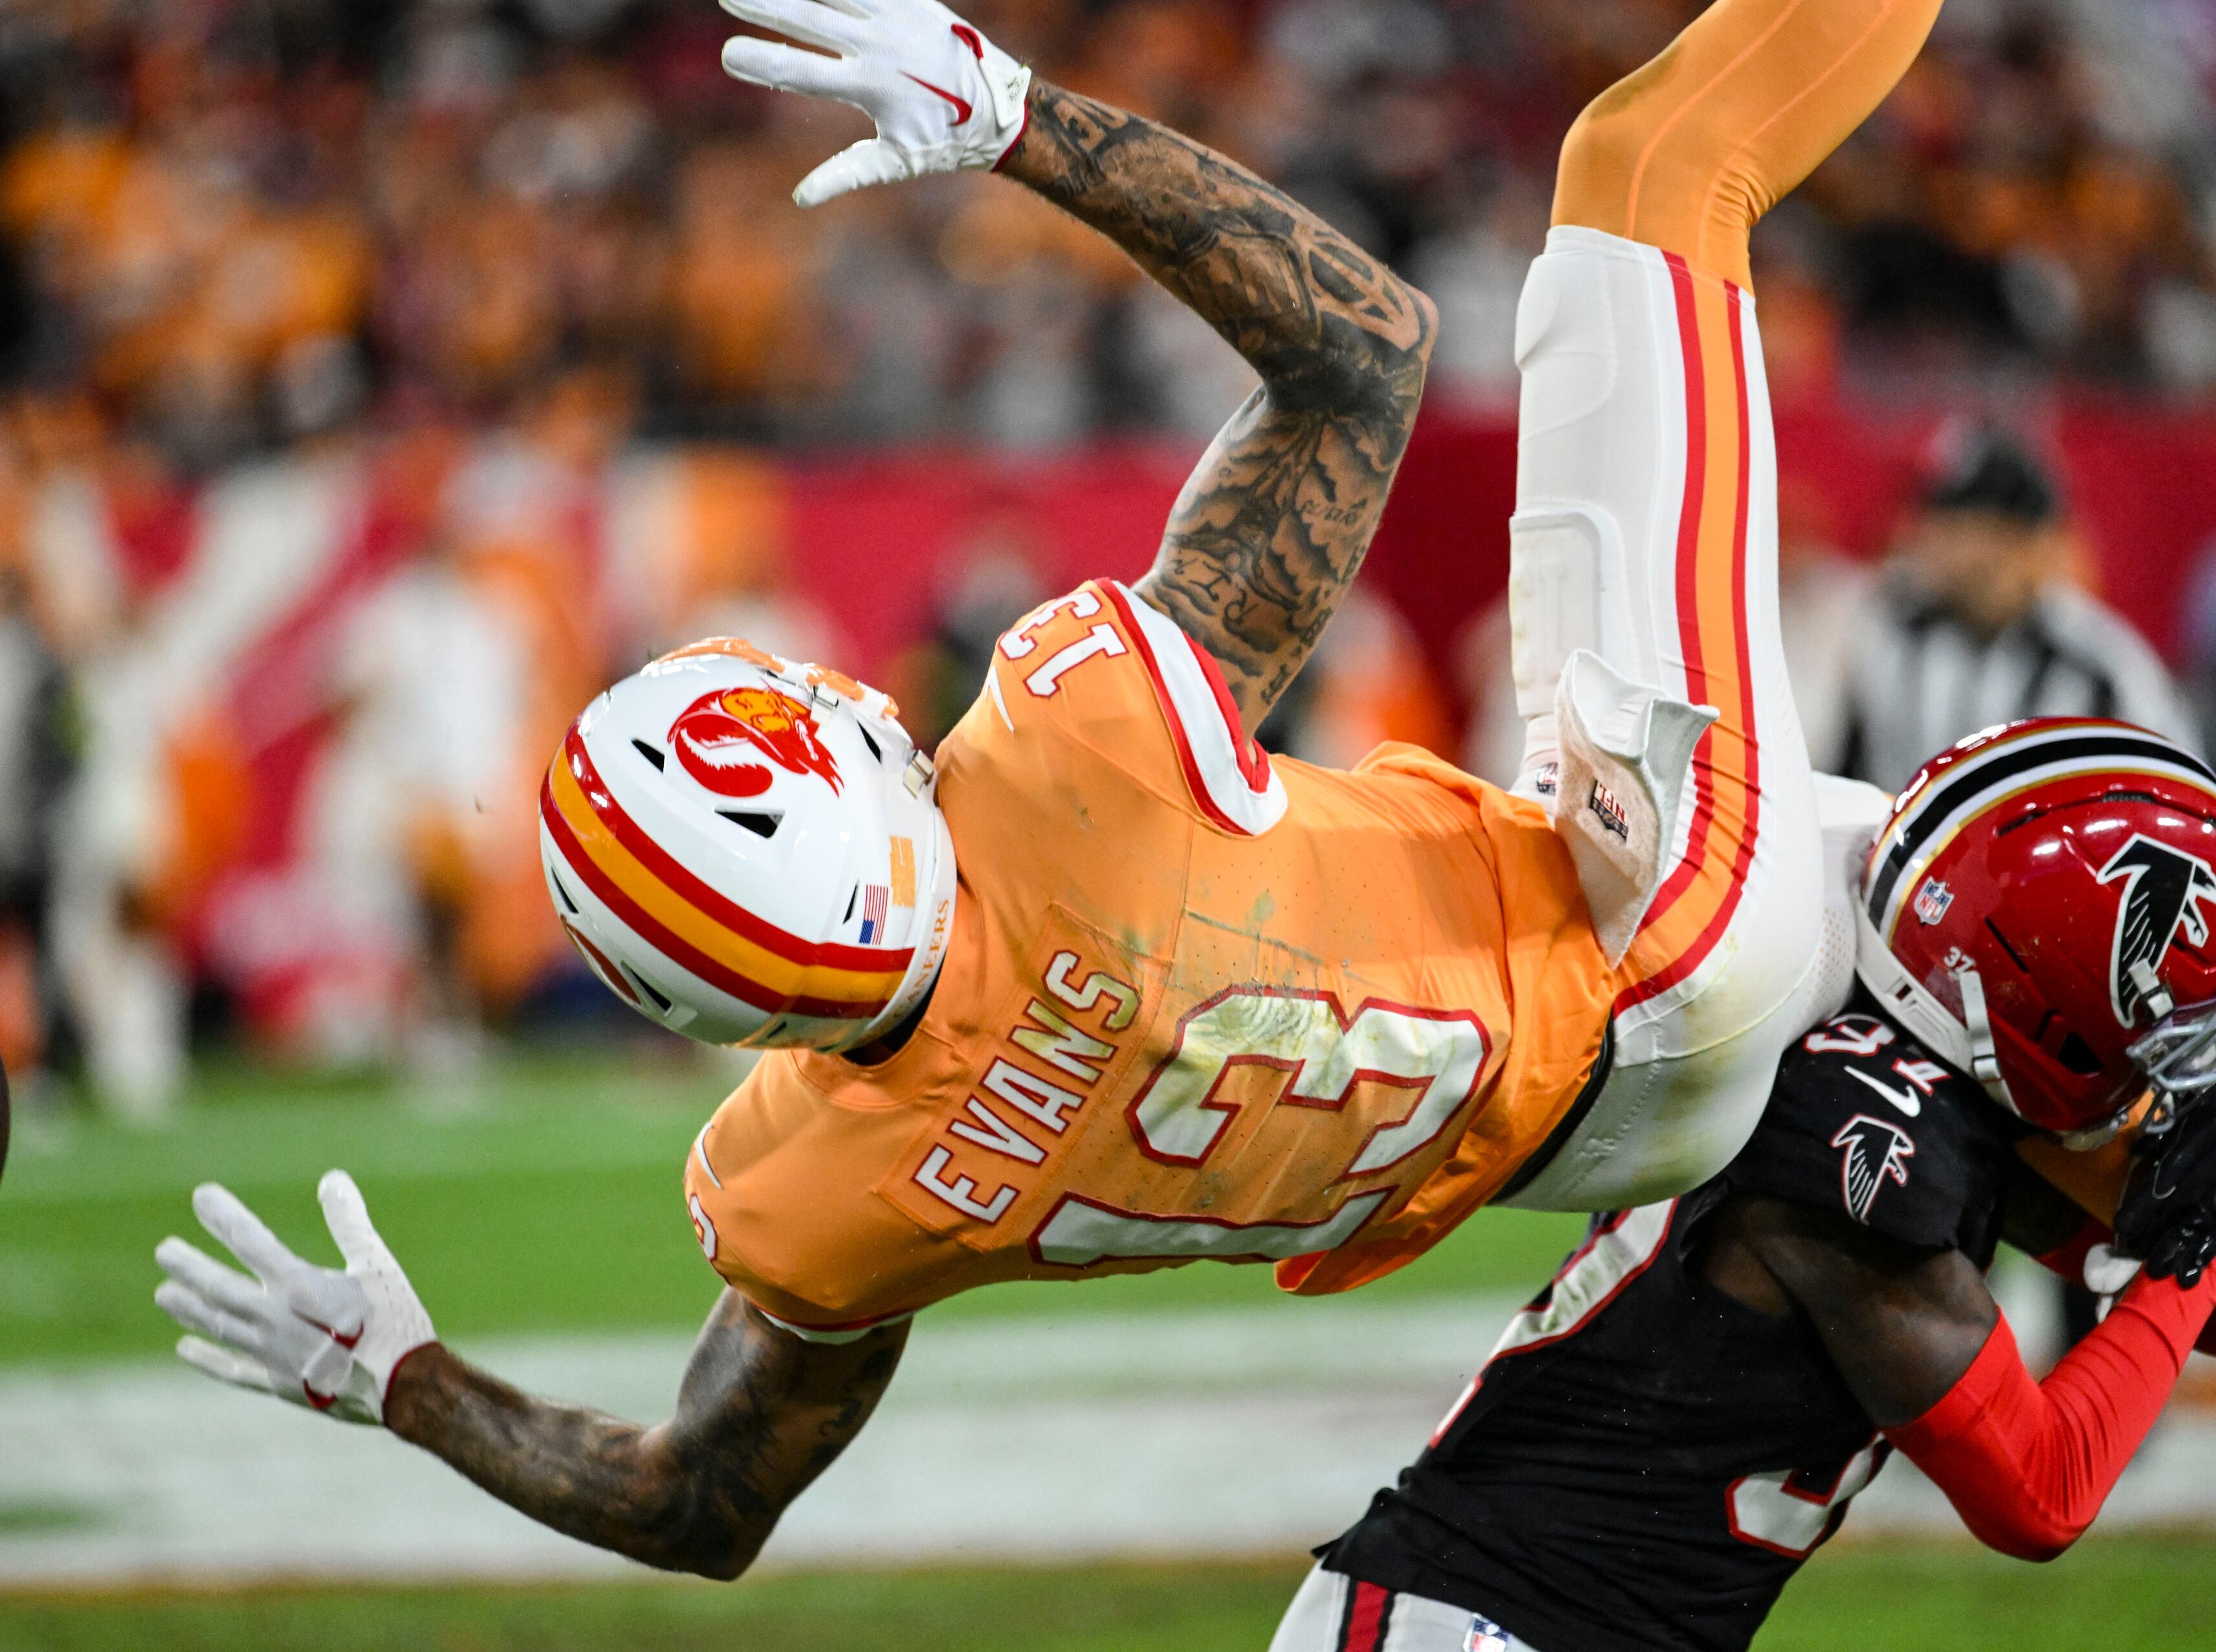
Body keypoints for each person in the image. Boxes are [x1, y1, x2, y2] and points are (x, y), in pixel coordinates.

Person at [151, 0, 1939, 1579]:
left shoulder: (822, 1201)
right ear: (840, 787)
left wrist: (408, 1382)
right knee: (1646, 164)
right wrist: (1013, 115)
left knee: (2050, 957)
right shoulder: (1074, 763)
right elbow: (1366, 352)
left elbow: (702, 1507)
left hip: (1601, 1151)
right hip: (1658, 925)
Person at [1274, 718, 2216, 1652]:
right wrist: (2190, 1253)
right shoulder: (1855, 1138)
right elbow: (2040, 1494)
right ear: (2053, 987)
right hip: (1473, 1620)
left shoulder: (1931, 1084)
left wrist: (2184, 1239)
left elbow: (2180, 1301)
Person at [1834, 425, 2196, 793]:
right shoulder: (1893, 636)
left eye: (1955, 520)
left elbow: (2176, 802)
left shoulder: (2099, 668)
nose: (1924, 533)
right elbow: (1852, 779)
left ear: (2016, 538)